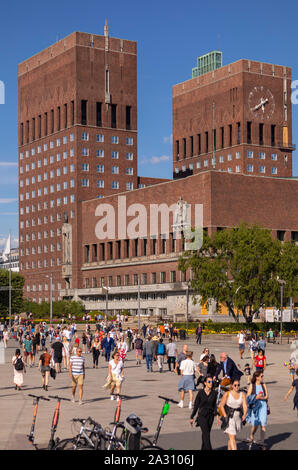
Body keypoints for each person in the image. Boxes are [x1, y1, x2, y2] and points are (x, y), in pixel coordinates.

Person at [190, 375, 219, 450]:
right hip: (202, 416)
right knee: (206, 434)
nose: (211, 383)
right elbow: (196, 406)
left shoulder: (214, 393)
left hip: (210, 416)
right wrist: (192, 417)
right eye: (209, 382)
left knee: (206, 434)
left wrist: (217, 416)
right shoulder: (200, 393)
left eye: (212, 382)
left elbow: (215, 406)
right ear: (205, 383)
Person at [219, 377, 248, 451]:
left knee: (232, 437)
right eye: (235, 385)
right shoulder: (227, 394)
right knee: (232, 437)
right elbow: (221, 406)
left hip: (238, 417)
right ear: (232, 385)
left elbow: (245, 406)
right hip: (229, 417)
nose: (237, 387)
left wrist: (244, 414)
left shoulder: (242, 394)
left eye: (238, 385)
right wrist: (225, 416)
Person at [246, 371, 268, 450]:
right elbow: (248, 397)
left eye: (263, 376)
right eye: (261, 376)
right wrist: (256, 397)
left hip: (263, 406)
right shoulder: (252, 385)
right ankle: (252, 434)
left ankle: (262, 443)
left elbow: (266, 396)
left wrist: (260, 398)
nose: (262, 377)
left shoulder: (263, 384)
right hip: (255, 407)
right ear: (257, 377)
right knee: (255, 424)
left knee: (263, 424)